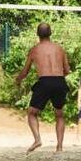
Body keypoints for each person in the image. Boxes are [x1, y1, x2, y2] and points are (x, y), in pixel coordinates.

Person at [15, 22, 70, 153]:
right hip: (59, 81)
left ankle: (37, 139)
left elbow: (25, 72)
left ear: (37, 34)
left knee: (32, 113)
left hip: (44, 81)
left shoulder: (34, 50)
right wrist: (58, 77)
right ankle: (59, 147)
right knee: (59, 114)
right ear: (50, 33)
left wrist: (18, 80)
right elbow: (67, 70)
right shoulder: (59, 48)